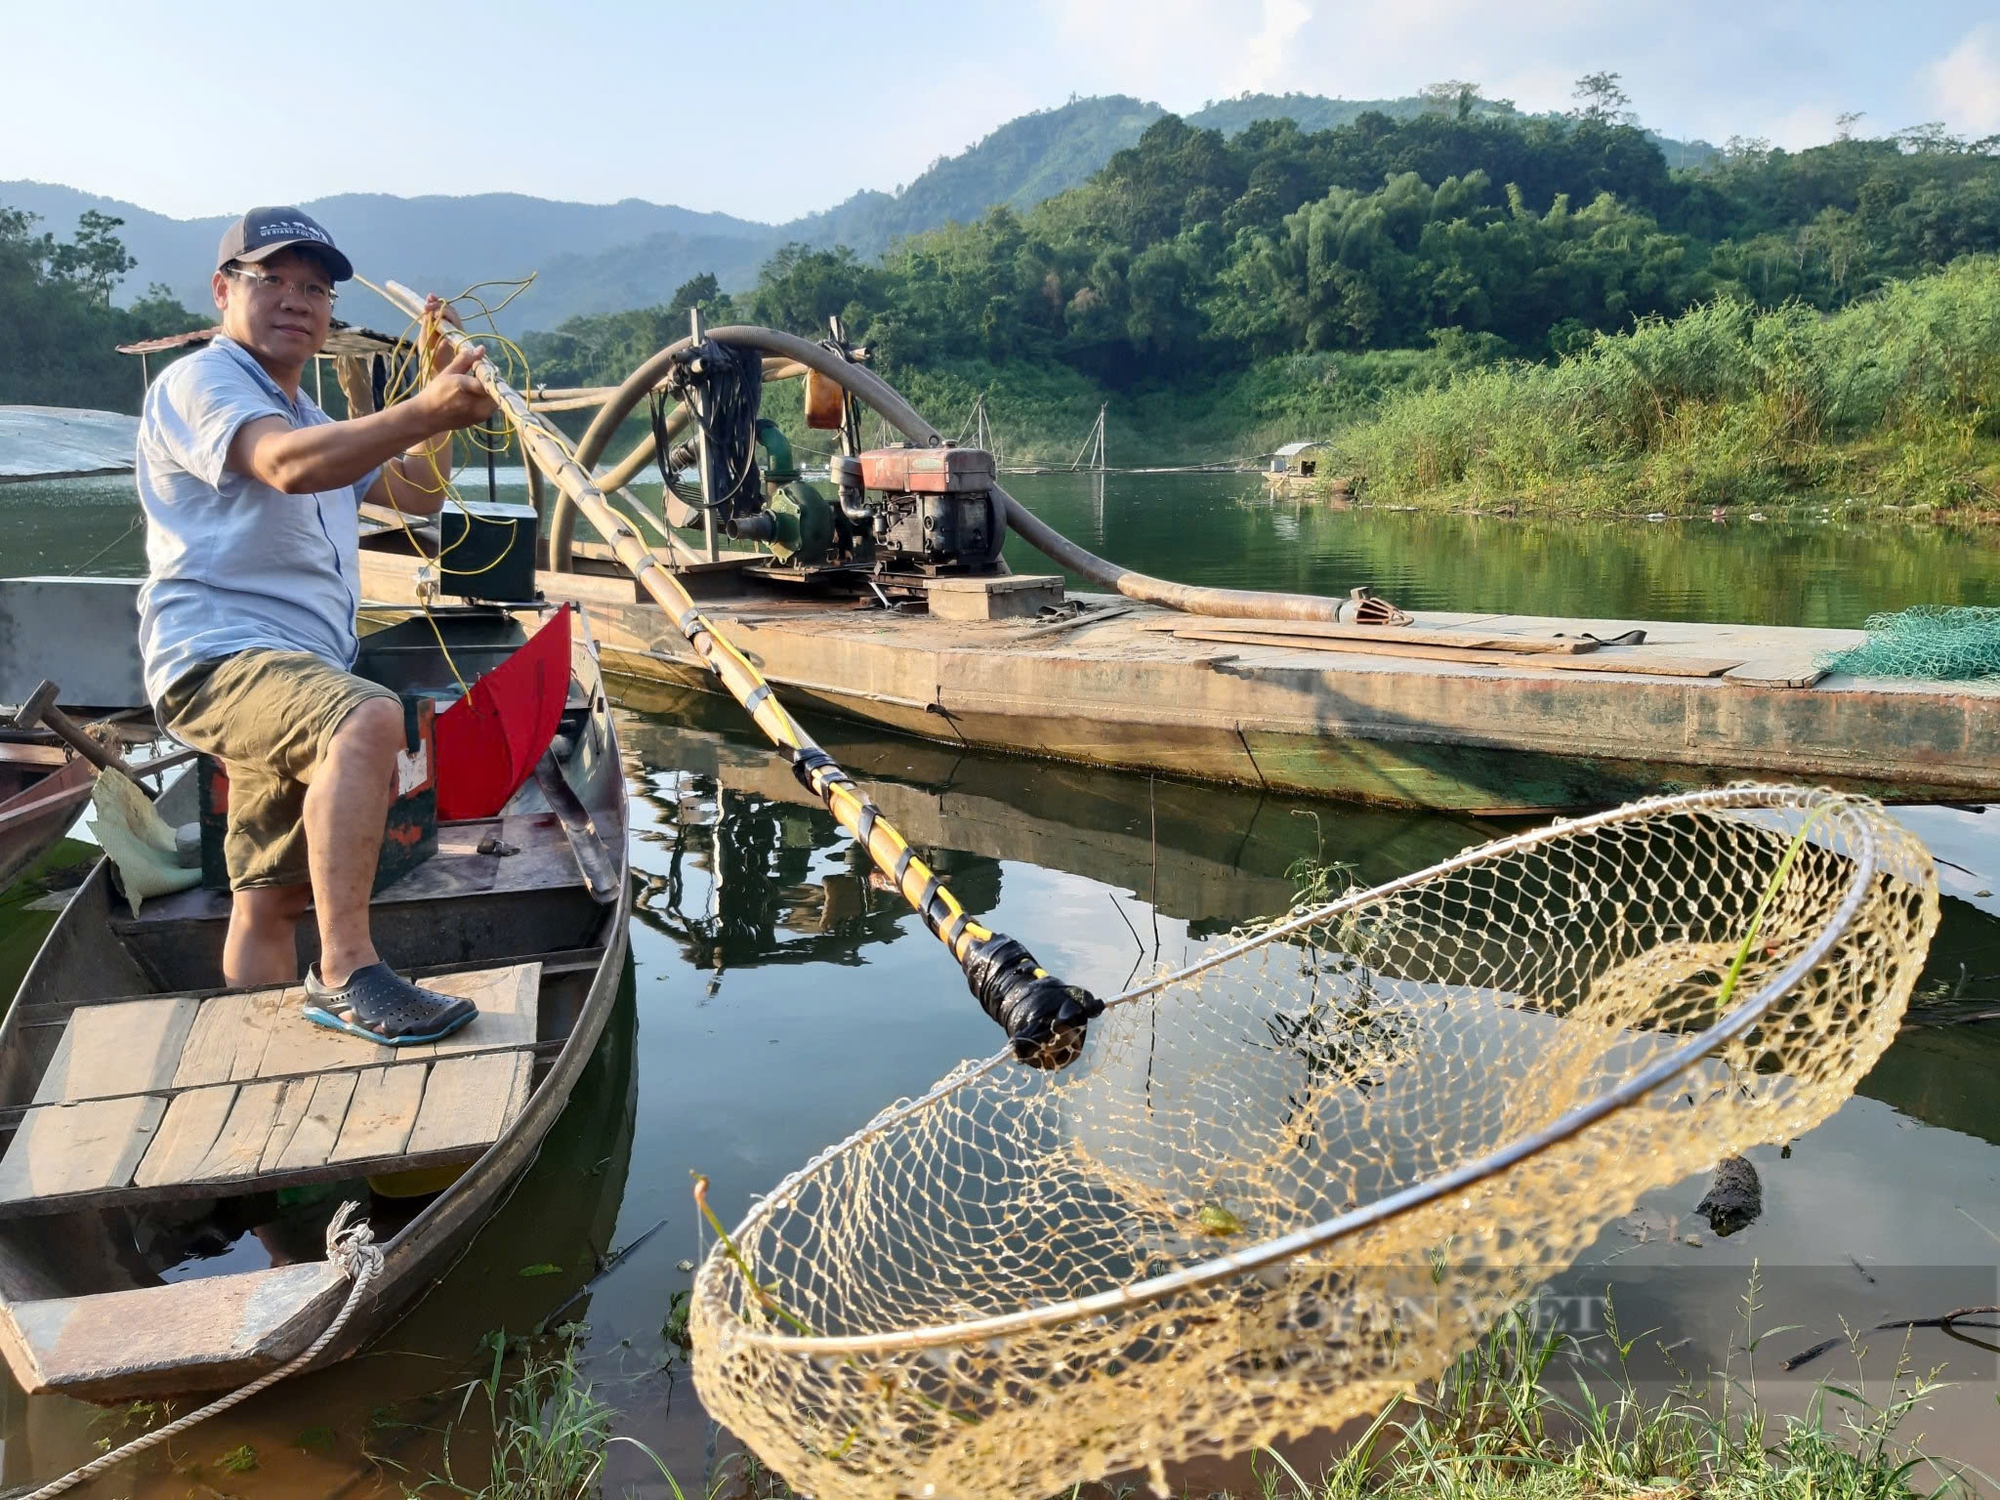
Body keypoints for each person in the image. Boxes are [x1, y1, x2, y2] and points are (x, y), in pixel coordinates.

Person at [136, 206, 497, 1044]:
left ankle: (255, 1053)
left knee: (271, 897)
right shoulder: (206, 382)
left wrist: (433, 411)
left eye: (316, 288)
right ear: (225, 290)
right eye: (275, 282)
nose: (298, 301)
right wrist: (423, 412)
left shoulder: (309, 417)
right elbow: (285, 468)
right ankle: (347, 970)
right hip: (219, 658)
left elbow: (414, 494)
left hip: (296, 669)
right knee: (368, 718)